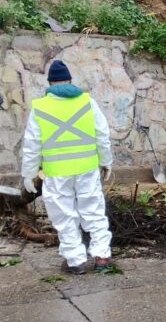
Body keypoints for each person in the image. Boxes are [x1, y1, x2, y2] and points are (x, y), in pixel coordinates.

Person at [21, 60, 114, 275]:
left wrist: (28, 174)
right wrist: (106, 161)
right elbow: (102, 135)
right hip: (87, 169)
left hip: (56, 173)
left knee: (64, 216)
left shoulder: (40, 107)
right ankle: (102, 257)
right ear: (70, 80)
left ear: (50, 83)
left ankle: (75, 261)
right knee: (94, 211)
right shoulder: (87, 102)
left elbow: (32, 145)